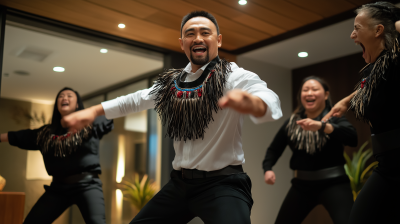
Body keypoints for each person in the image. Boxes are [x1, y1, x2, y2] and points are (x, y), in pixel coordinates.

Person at [62, 11, 282, 224]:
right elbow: (135, 99)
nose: (198, 38)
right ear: (181, 43)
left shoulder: (233, 75)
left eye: (205, 32)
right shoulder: (171, 83)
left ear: (219, 40)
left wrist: (253, 103)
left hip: (223, 185)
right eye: (190, 33)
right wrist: (93, 111)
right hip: (180, 184)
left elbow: (266, 95)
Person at [322, 2, 400, 223]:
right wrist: (346, 102)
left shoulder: (395, 60)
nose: (351, 35)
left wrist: (395, 21)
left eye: (357, 27)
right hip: (387, 165)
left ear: (378, 30)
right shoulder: (377, 68)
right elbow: (372, 87)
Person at [0, 87, 113, 224]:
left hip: (88, 185)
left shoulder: (89, 124)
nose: (64, 98)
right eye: (61, 96)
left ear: (77, 104)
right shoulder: (45, 133)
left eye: (69, 96)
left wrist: (92, 114)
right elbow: (19, 136)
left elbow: (108, 117)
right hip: (58, 188)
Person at [263, 76, 357, 224]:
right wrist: (268, 168)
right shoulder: (293, 122)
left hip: (334, 183)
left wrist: (323, 126)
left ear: (326, 95)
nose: (309, 93)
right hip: (301, 185)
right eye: (305, 90)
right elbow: (274, 149)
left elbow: (353, 138)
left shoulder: (335, 118)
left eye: (314, 89)